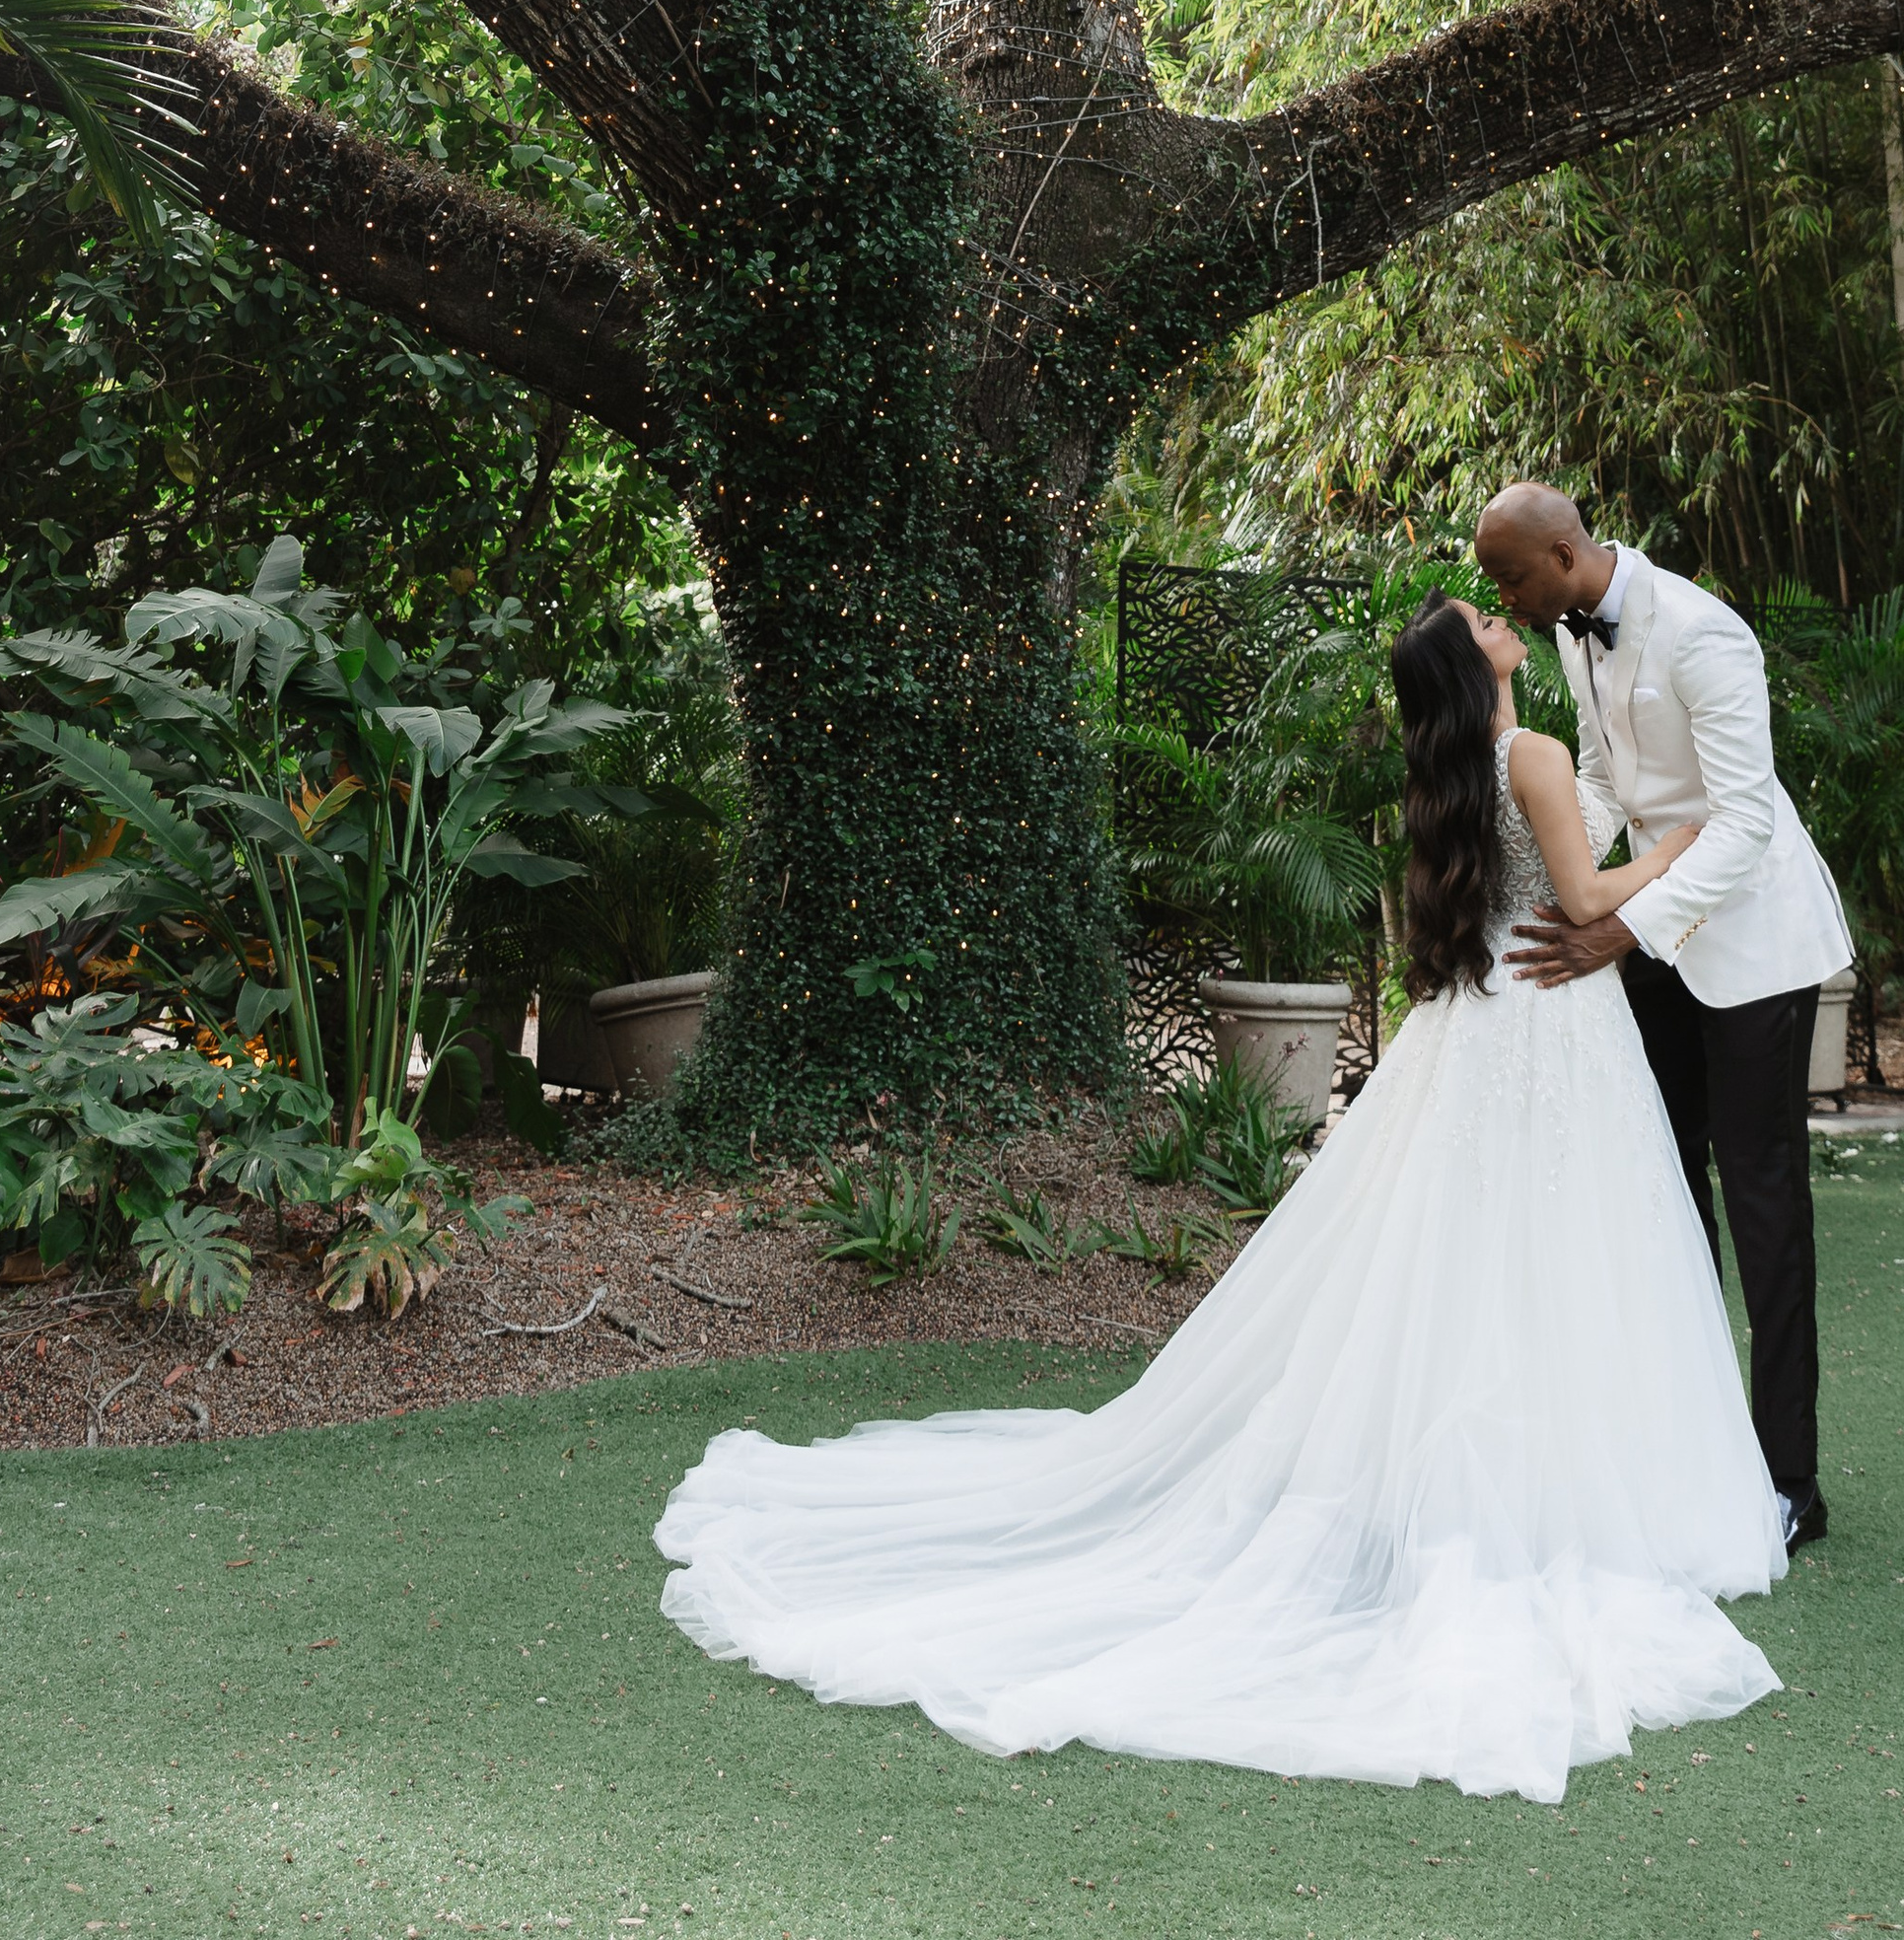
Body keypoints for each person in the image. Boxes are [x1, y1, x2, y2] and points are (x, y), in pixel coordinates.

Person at [654, 591, 1788, 1803]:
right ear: (1483, 657)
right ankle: (1558, 1491)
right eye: (1489, 620)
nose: (1508, 621)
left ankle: (1455, 1480)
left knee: (1460, 1252)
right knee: (1559, 1253)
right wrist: (1675, 847)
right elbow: (1587, 900)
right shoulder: (1539, 755)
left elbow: (1531, 870)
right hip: (1554, 1029)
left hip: (1477, 1030)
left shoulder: (1453, 771)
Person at [1473, 480, 1854, 1558]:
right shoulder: (1569, 635)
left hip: (1753, 948)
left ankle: (1788, 1482)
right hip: (1649, 932)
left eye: (1507, 576)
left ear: (1561, 551)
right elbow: (1602, 780)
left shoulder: (1703, 634)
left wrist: (1621, 927)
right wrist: (1555, 875)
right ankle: (1693, 1453)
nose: (1501, 596)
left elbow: (1742, 819)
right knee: (1665, 1190)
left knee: (1765, 1208)